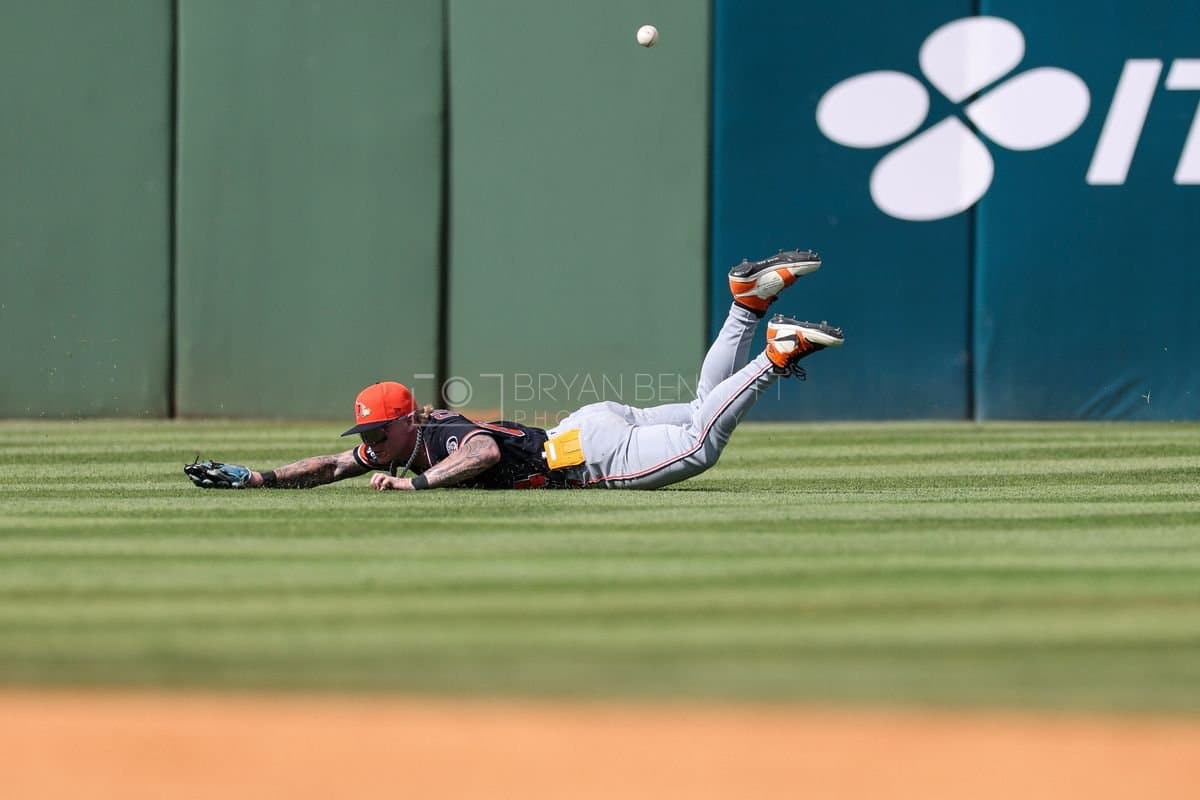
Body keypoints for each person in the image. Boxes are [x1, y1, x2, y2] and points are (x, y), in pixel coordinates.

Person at [184, 249, 844, 492]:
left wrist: (421, 486)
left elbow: (473, 452)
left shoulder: (433, 440)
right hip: (586, 429)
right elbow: (328, 468)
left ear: (406, 420)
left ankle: (773, 354)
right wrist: (254, 478)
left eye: (378, 433)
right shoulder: (403, 444)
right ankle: (747, 306)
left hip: (588, 455)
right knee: (701, 406)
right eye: (367, 436)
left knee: (701, 444)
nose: (369, 445)